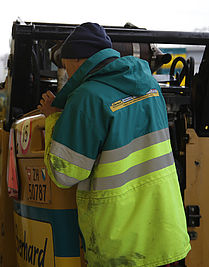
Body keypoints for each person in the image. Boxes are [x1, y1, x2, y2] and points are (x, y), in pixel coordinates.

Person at [38, 23, 191, 266]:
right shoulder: (149, 85)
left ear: (76, 59)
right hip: (164, 231)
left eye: (65, 64)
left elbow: (65, 173)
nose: (65, 71)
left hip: (121, 243)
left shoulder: (86, 97)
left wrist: (54, 118)